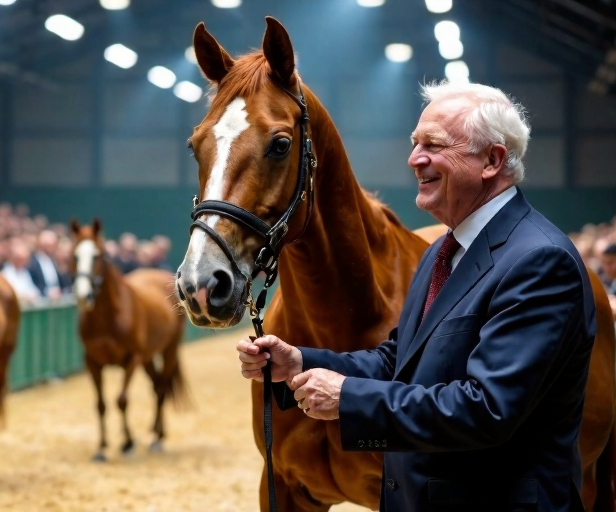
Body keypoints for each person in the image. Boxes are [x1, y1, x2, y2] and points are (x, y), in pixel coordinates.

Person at [237, 81, 597, 512]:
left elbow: (487, 409)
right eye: (414, 143)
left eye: (434, 145)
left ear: (492, 160)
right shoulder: (442, 253)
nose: (414, 159)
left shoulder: (539, 261)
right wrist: (303, 361)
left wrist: (349, 398)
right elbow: (398, 360)